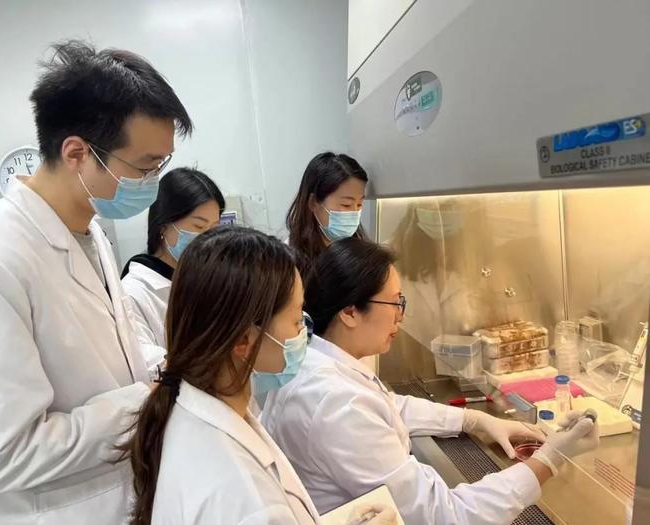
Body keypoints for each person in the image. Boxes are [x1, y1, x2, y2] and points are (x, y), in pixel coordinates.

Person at [0, 40, 192, 525]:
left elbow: (109, 354)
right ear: (78, 153)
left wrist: (170, 369)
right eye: (145, 167)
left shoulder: (89, 232)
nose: (153, 181)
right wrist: (145, 401)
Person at [261, 238, 600, 525]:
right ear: (350, 312)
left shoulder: (318, 365)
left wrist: (474, 419)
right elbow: (445, 515)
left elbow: (390, 407)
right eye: (395, 302)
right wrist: (549, 460)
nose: (401, 315)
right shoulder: (337, 402)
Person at [118, 226, 395, 525]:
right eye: (296, 319)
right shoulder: (244, 496)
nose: (304, 330)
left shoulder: (191, 407)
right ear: (243, 341)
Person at [121, 167, 225, 348]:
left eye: (214, 228)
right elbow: (147, 360)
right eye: (199, 226)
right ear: (163, 226)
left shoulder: (205, 278)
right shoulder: (134, 292)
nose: (208, 238)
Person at [286, 151, 367, 279]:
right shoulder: (290, 264)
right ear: (313, 203)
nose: (354, 213)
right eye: (346, 205)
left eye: (359, 204)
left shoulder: (360, 253)